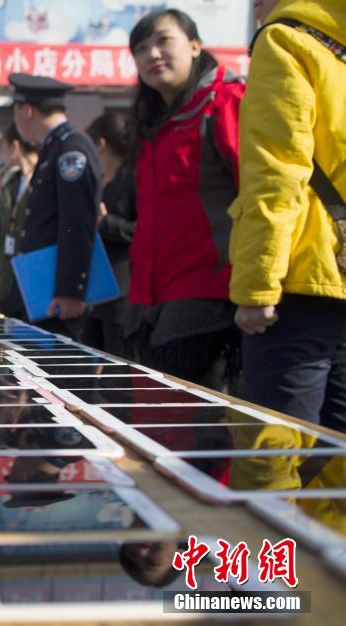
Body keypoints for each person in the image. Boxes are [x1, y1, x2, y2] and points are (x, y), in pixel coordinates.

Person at [228, 0, 346, 431]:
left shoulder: (286, 40)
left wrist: (257, 287)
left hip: (300, 280)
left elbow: (276, 172)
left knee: (278, 449)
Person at [125, 9, 246, 390]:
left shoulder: (224, 102)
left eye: (164, 41)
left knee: (180, 411)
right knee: (151, 406)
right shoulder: (151, 125)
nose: (152, 54)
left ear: (195, 46)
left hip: (212, 291)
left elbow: (260, 194)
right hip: (154, 294)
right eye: (141, 48)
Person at [8, 74, 102, 341]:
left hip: (58, 294)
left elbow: (77, 222)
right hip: (42, 286)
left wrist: (71, 290)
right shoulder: (53, 146)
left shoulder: (70, 149)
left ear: (26, 111)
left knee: (59, 363)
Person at [82, 112, 137, 358]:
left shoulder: (132, 179)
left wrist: (105, 223)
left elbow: (143, 230)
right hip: (93, 289)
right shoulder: (97, 181)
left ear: (101, 144)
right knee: (87, 362)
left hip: (121, 290)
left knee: (117, 364)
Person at [0, 123, 38, 319]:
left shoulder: (44, 178)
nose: (1, 152)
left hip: (34, 274)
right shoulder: (12, 182)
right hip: (8, 274)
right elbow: (0, 231)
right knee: (10, 327)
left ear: (15, 146)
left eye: (2, 146)